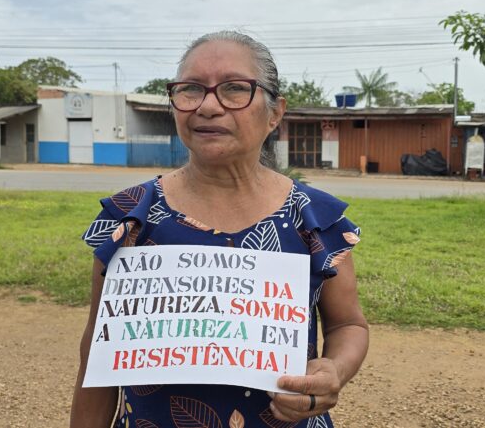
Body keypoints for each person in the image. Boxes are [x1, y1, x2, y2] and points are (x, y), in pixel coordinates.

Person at [70, 31, 369, 428]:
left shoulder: (314, 218)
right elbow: (98, 350)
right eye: (191, 89)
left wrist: (334, 370)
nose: (208, 106)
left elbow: (348, 324)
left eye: (234, 89)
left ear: (275, 112)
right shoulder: (130, 218)